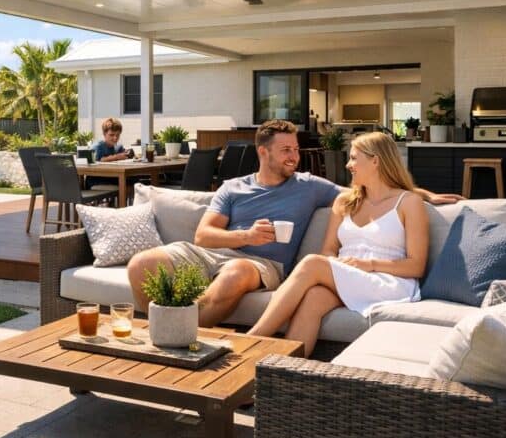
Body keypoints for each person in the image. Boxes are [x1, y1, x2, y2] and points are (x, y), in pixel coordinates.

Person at [127, 121, 459, 329]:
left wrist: (425, 194)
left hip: (260, 264)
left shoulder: (310, 185)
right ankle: (157, 331)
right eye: (286, 150)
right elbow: (203, 235)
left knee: (235, 273)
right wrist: (247, 235)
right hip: (214, 252)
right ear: (263, 152)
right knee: (142, 264)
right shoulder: (232, 187)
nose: (294, 156)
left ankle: (186, 336)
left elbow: (376, 190)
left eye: (296, 150)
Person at [246, 132, 428, 355]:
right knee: (313, 299)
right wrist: (338, 267)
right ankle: (281, 370)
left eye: (353, 158)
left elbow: (416, 266)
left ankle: (252, 340)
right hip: (348, 275)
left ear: (375, 160)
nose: (348, 164)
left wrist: (367, 264)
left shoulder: (409, 202)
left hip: (387, 281)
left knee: (312, 263)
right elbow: (329, 250)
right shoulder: (344, 201)